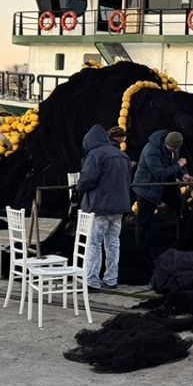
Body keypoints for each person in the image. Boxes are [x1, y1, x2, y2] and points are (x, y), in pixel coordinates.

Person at [77, 125, 132, 292]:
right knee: (113, 243)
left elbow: (87, 180)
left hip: (99, 206)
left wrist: (79, 187)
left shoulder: (95, 154)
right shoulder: (123, 156)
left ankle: (92, 281)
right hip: (119, 206)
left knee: (94, 244)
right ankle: (111, 279)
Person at [133, 130, 190, 211]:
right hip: (148, 188)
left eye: (175, 148)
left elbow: (171, 164)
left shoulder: (175, 149)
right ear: (165, 143)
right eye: (171, 148)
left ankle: (183, 222)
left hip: (166, 186)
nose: (173, 150)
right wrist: (178, 165)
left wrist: (181, 175)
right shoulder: (151, 151)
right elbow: (160, 173)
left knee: (182, 209)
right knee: (144, 220)